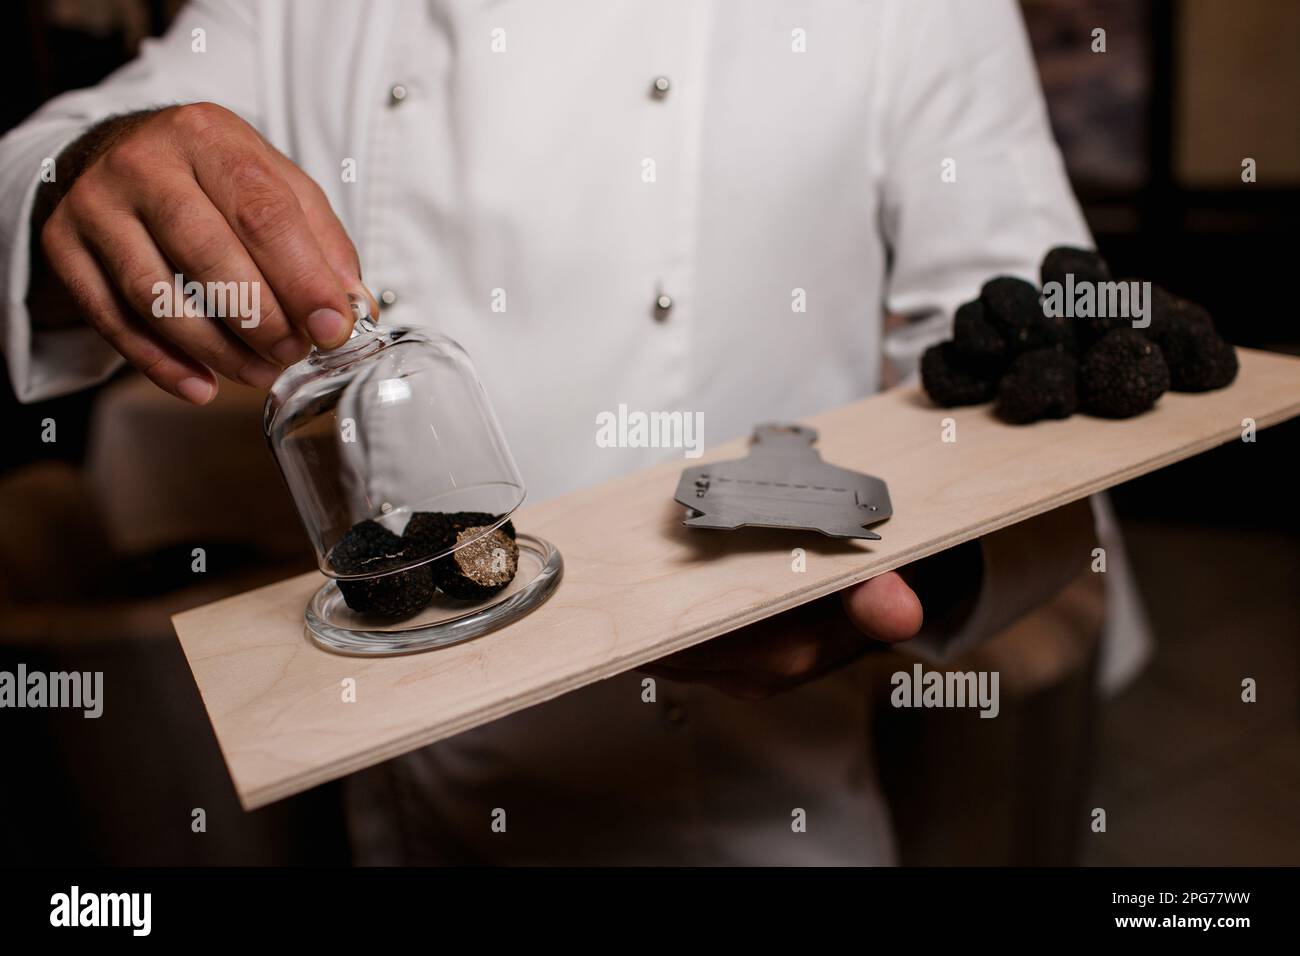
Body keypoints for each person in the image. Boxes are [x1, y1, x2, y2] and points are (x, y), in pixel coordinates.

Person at [0, 0, 1148, 864]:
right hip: (407, 816)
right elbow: (48, 156)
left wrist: (917, 574)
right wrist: (85, 181)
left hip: (754, 817)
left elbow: (1031, 374)